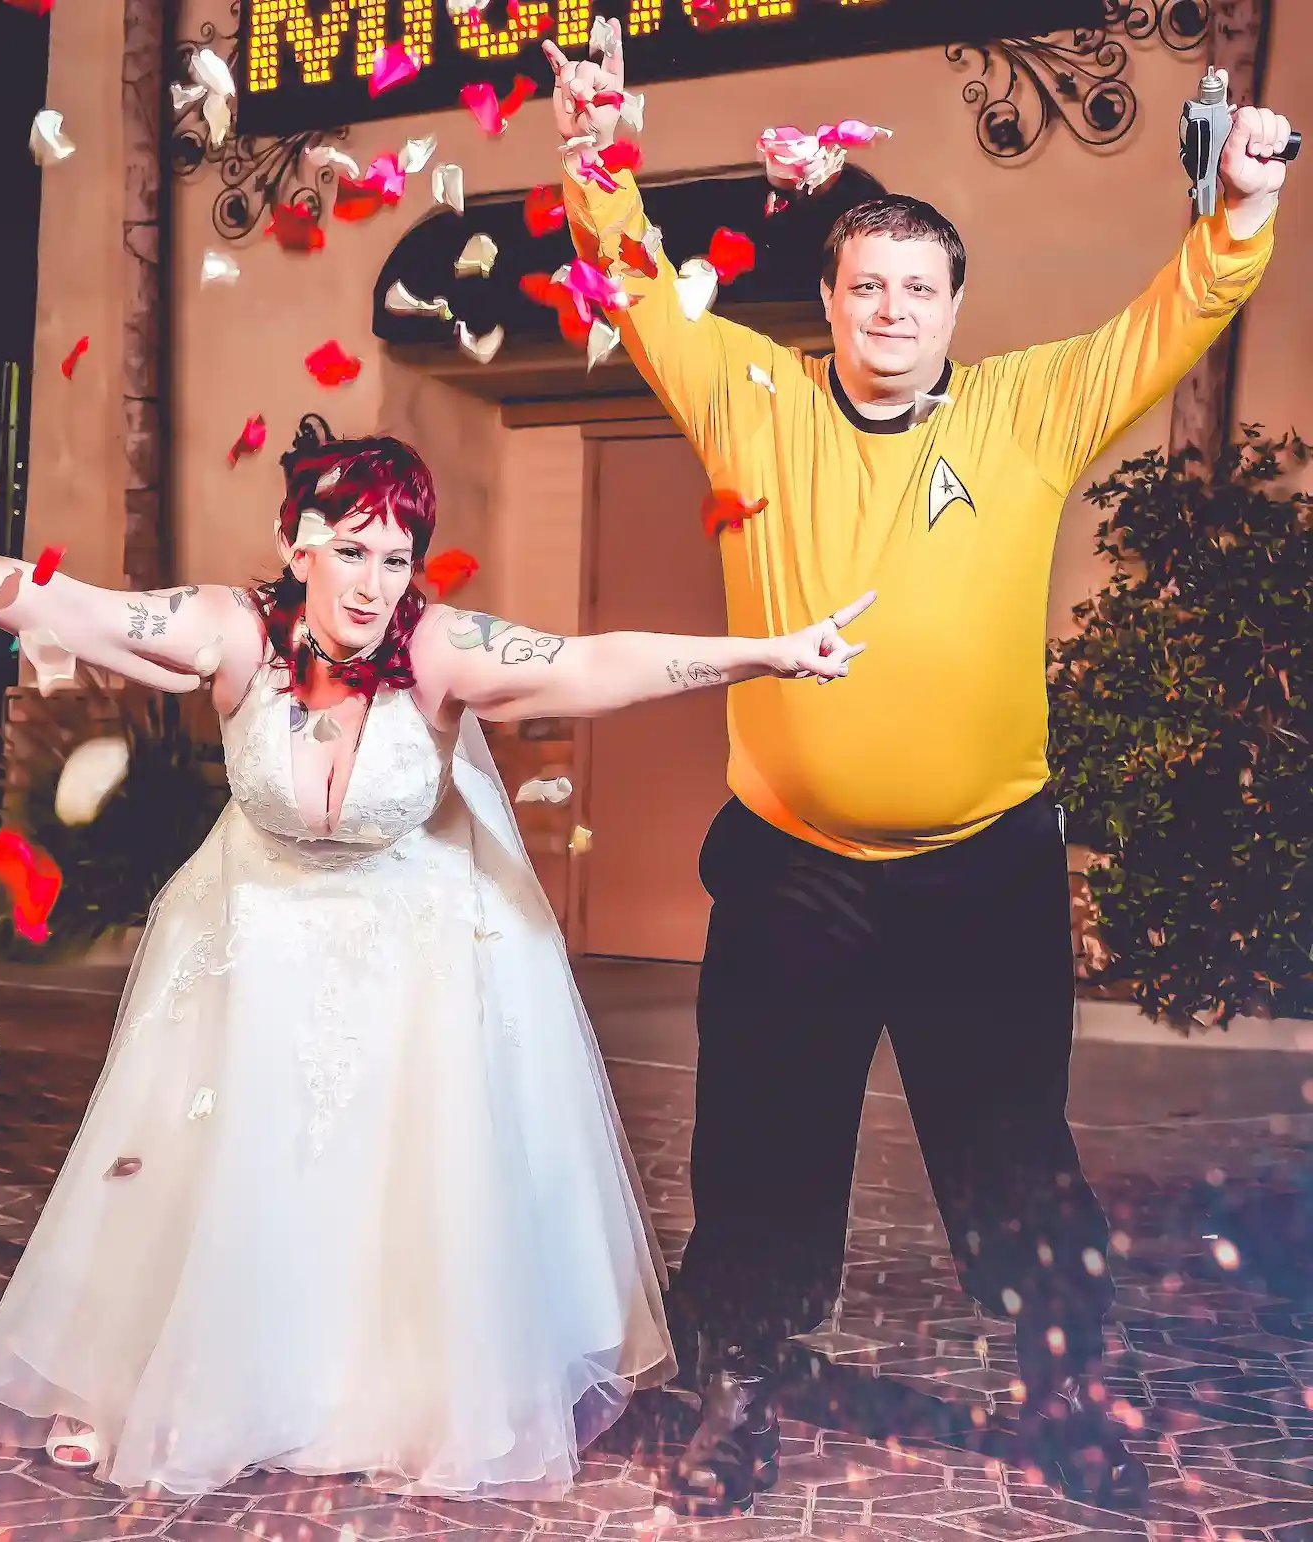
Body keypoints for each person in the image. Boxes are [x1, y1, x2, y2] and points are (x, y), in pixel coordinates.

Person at [0, 413, 873, 1500]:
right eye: (350, 549)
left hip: (410, 947)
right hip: (252, 933)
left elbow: (591, 663)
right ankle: (161, 1376)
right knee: (226, 1163)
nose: (372, 584)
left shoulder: (435, 648)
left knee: (397, 1179)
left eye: (396, 559)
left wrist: (769, 655)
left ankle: (380, 1391)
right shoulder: (233, 633)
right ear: (293, 541)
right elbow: (58, 600)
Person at [546, 29, 1290, 1516]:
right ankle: (739, 1389)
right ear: (827, 302)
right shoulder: (749, 399)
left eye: (918, 288)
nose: (891, 309)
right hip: (790, 874)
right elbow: (622, 271)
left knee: (1014, 1156)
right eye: (865, 285)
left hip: (984, 872)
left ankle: (1069, 1393)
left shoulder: (1027, 409)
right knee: (759, 1153)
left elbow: (1175, 315)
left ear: (955, 306)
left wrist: (1243, 206)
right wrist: (591, 144)